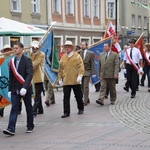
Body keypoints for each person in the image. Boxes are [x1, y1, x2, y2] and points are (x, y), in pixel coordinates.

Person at [3, 42, 34, 135]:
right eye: (14, 48)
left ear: (21, 49)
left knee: (28, 108)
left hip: (25, 88)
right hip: (15, 89)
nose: (14, 50)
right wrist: (9, 89)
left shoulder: (27, 60)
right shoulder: (12, 61)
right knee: (14, 108)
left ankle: (30, 126)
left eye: (16, 48)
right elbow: (11, 76)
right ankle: (11, 128)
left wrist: (24, 87)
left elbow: (30, 74)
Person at [58, 41, 84, 118]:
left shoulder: (77, 56)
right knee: (66, 97)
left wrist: (80, 75)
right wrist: (60, 78)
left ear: (72, 48)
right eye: (66, 47)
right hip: (66, 80)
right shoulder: (63, 57)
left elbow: (81, 66)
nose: (67, 48)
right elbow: (60, 69)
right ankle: (66, 112)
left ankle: (80, 108)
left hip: (75, 80)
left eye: (68, 47)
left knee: (78, 95)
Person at [30, 41, 45, 117]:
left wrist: (28, 65)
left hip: (39, 77)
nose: (34, 49)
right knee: (37, 94)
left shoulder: (41, 55)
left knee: (37, 95)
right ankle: (40, 109)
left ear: (38, 48)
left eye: (35, 48)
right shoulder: (30, 54)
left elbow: (36, 63)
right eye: (32, 48)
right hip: (32, 77)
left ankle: (34, 111)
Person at [79, 41, 96, 106]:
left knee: (86, 86)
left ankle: (85, 100)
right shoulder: (79, 53)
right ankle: (87, 98)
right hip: (81, 72)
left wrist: (93, 73)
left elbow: (92, 63)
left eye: (83, 45)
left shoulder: (90, 53)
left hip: (87, 71)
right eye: (81, 45)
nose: (82, 46)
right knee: (82, 87)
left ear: (86, 46)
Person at [0, 44, 13, 117]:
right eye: (6, 50)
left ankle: (18, 109)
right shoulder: (2, 59)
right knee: (3, 94)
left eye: (8, 50)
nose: (7, 51)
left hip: (13, 79)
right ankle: (1, 111)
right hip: (4, 79)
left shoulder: (14, 58)